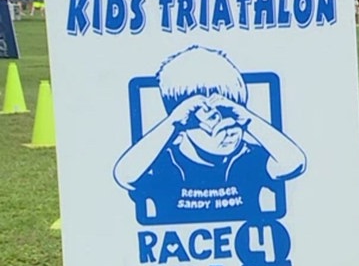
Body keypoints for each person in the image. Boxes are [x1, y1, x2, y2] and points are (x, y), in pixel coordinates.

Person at [113, 45, 307, 224]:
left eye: (232, 115)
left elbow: (294, 163)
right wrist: (172, 123)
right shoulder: (165, 162)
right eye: (215, 117)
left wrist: (248, 120)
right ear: (185, 122)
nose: (229, 126)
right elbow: (125, 176)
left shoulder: (246, 158)